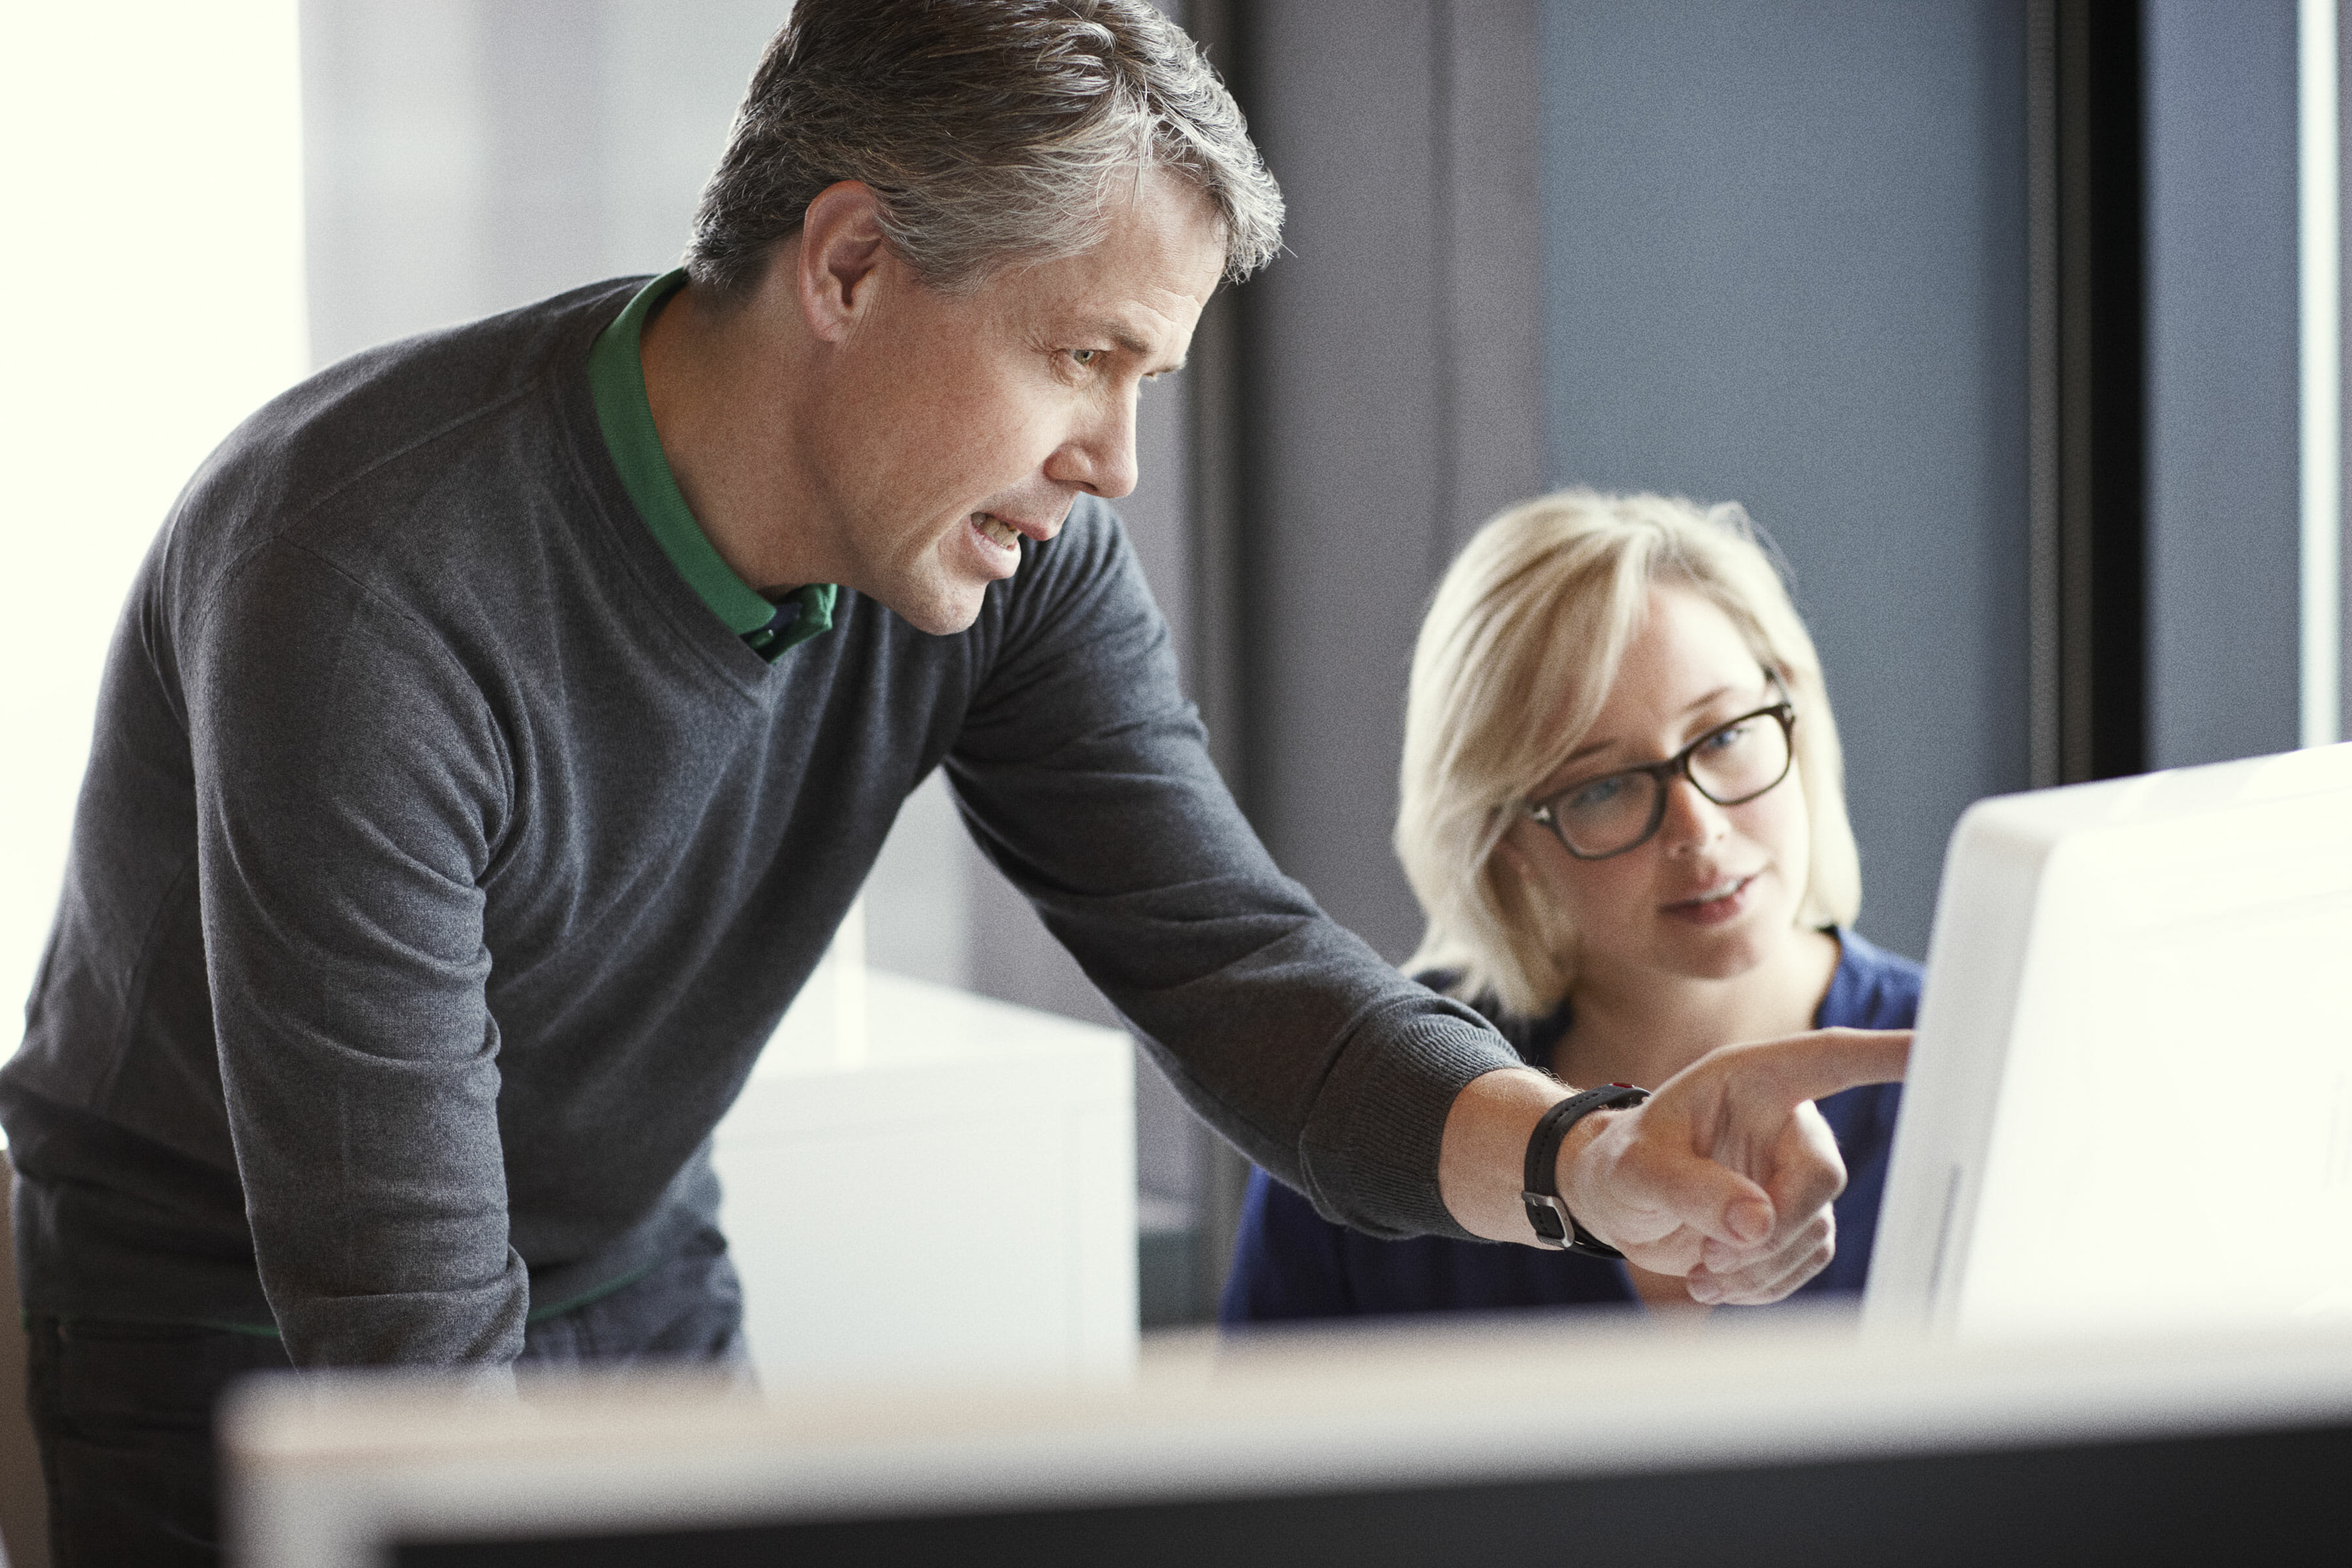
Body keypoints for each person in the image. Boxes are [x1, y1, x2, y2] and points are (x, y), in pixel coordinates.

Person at [1, 6, 1900, 1562]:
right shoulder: (366, 584)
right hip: (234, 1334)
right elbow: (401, 1319)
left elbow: (1236, 973)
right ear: (848, 264)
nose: (1120, 466)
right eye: (1086, 357)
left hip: (632, 1275)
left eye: (1152, 377)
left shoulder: (1008, 555)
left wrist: (1587, 1159)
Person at [1224, 490, 1921, 1324]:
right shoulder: (1369, 1103)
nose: (1697, 832)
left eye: (1727, 735)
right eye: (1604, 787)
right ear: (1507, 839)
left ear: (1793, 716)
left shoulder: (1985, 1072)